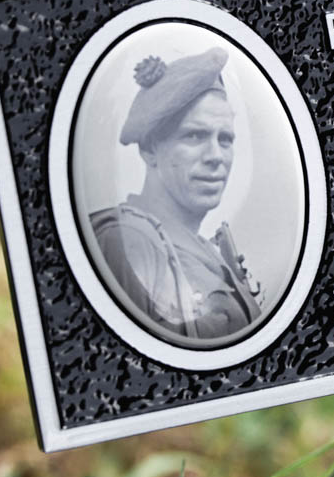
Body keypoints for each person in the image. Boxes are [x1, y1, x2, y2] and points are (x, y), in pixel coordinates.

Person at [89, 47, 262, 342]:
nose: (215, 156)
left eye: (225, 139)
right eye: (194, 136)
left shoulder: (208, 251)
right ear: (149, 149)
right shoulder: (130, 241)